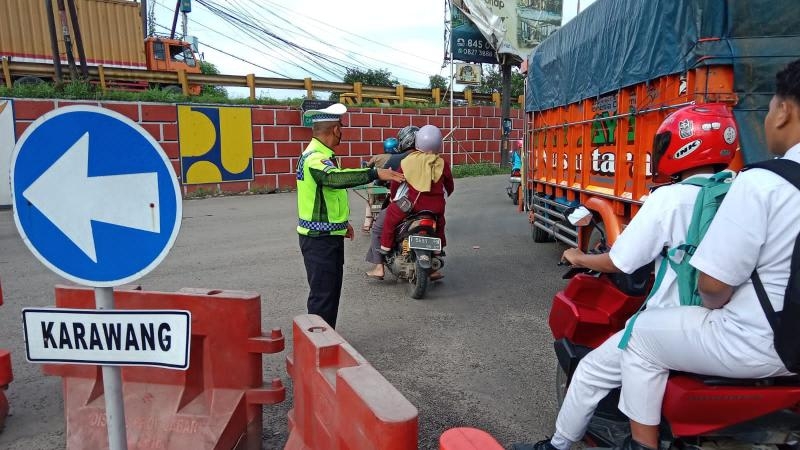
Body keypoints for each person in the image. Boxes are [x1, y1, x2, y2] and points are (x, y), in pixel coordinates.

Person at [511, 103, 740, 450]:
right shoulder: (741, 191)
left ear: (684, 147)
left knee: (590, 372)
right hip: (736, 325)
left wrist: (579, 255)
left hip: (676, 324)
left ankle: (559, 446)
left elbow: (622, 260)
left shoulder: (670, 199)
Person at [614, 59, 800, 450]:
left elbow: (713, 285)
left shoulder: (764, 182)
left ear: (783, 111)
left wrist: (714, 302)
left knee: (642, 337)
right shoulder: (734, 182)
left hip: (766, 343)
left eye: (768, 109)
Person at [296, 103, 403, 328]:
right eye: (341, 128)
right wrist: (374, 173)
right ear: (335, 129)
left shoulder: (318, 155)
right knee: (323, 296)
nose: (342, 133)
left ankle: (324, 340)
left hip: (325, 234)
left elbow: (327, 197)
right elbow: (334, 179)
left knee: (329, 292)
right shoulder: (316, 158)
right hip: (319, 240)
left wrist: (341, 224)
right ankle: (318, 345)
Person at [379, 125, 454, 280]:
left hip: (413, 205)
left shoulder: (408, 161)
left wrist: (393, 197)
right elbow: (450, 186)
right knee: (440, 225)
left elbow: (396, 181)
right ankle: (438, 251)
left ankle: (385, 247)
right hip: (436, 208)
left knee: (391, 217)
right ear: (440, 144)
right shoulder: (442, 163)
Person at [365, 125, 419, 280]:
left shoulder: (396, 159)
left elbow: (392, 184)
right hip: (428, 206)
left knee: (377, 229)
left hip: (404, 204)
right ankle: (433, 266)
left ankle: (379, 267)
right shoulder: (432, 159)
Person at [362, 137, 400, 232]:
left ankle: (367, 222)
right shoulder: (402, 157)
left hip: (379, 186)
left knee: (369, 199)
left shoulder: (377, 157)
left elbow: (367, 168)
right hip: (395, 185)